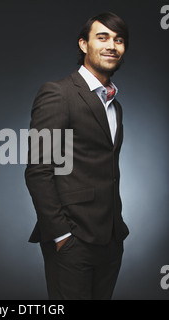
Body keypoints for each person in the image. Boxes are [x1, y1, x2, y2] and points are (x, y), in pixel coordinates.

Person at [25, 12, 130, 300]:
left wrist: (116, 234)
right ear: (84, 45)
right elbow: (38, 169)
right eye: (103, 37)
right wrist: (61, 235)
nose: (112, 45)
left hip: (110, 240)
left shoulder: (114, 106)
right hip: (72, 241)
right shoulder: (57, 94)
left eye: (119, 40)